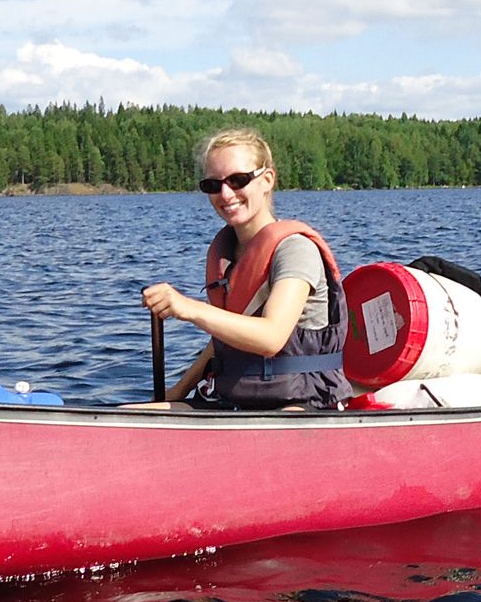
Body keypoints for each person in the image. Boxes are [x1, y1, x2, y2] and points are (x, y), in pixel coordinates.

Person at [138, 127, 350, 410]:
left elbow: (271, 337)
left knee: (273, 430)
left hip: (301, 401)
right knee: (131, 417)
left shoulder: (295, 250)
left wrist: (188, 308)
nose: (225, 194)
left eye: (238, 180)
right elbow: (222, 343)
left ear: (267, 180)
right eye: (213, 185)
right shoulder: (228, 255)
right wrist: (174, 394)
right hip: (233, 399)